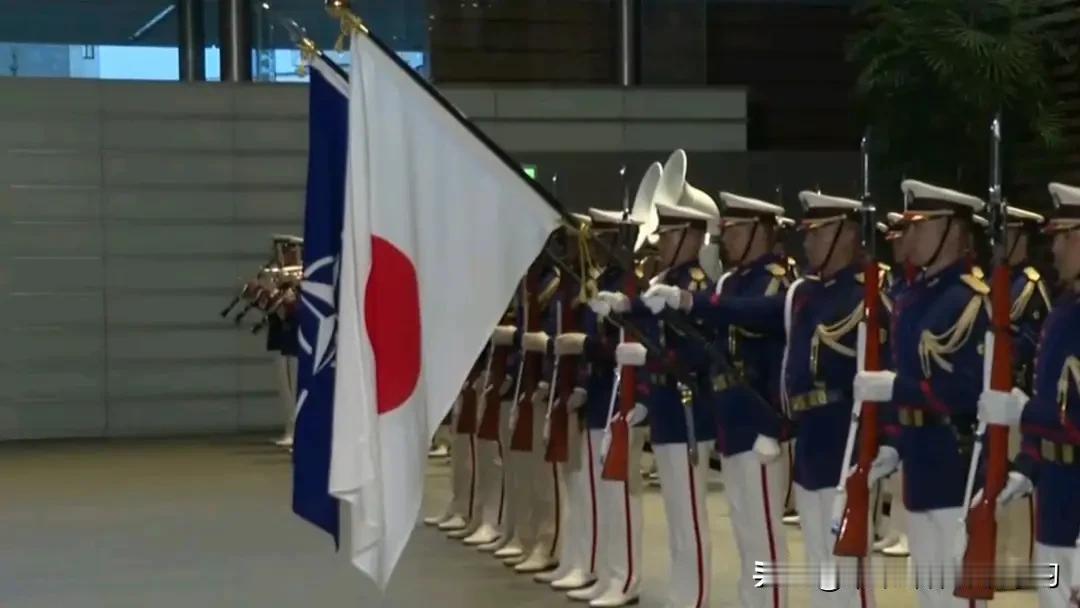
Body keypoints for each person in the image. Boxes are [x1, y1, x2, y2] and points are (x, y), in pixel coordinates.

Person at [639, 189, 794, 608]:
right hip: (730, 418)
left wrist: (772, 423)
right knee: (744, 530)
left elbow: (769, 346)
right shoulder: (731, 281)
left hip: (759, 421)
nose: (725, 238)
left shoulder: (776, 281)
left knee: (764, 534)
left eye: (736, 229)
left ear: (761, 231)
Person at [853, 179, 991, 608]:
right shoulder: (916, 296)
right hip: (918, 457)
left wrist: (896, 387)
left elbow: (965, 393)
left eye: (921, 224)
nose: (910, 235)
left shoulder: (967, 298)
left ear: (952, 229)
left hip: (955, 459)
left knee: (956, 590)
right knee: (929, 589)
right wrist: (892, 443)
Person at [591, 149, 719, 608]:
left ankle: (695, 596)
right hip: (667, 409)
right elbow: (649, 324)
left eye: (669, 232)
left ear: (690, 235)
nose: (661, 240)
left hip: (690, 410)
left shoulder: (698, 285)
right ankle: (683, 592)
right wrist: (627, 313)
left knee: (690, 513)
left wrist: (650, 355)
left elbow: (698, 351)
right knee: (675, 513)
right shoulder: (665, 281)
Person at [977, 181, 1080, 608]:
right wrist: (1026, 467)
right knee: (1053, 598)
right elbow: (1051, 394)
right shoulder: (1063, 311)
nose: (1054, 250)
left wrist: (1023, 415)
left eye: (1065, 238)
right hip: (1055, 497)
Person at [554, 195, 657, 607]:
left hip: (622, 396)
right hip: (601, 394)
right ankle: (605, 569)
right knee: (597, 493)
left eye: (602, 237)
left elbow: (635, 343)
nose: (592, 244)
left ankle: (626, 576)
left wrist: (588, 347)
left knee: (621, 496)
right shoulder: (607, 281)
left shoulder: (633, 285)